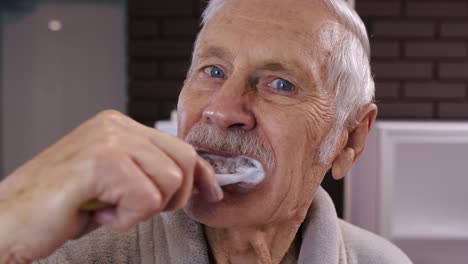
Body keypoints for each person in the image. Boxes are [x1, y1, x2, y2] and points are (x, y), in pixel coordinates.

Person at [0, 0, 413, 263]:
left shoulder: (383, 261)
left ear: (350, 141)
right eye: (213, 71)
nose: (220, 110)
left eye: (280, 84)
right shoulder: (70, 253)